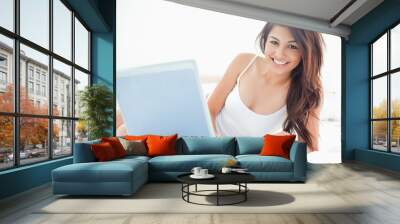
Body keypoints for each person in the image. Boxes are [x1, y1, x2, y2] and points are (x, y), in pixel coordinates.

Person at [207, 23, 324, 151]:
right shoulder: (244, 62)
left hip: (248, 160)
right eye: (274, 42)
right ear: (265, 40)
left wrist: (282, 146)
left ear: (307, 51)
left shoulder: (309, 87)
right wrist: (214, 143)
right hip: (211, 144)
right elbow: (210, 109)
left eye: (292, 46)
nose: (279, 54)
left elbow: (311, 146)